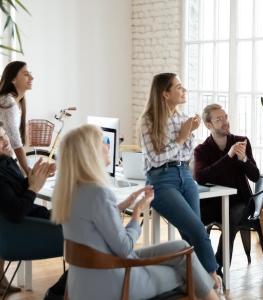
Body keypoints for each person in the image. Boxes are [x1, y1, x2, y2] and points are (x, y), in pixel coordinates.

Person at [50, 124, 220, 300]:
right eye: (103, 142)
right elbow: (124, 248)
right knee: (188, 270)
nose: (108, 146)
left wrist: (125, 204)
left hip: (83, 283)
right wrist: (137, 212)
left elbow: (93, 221)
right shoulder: (98, 193)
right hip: (117, 280)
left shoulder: (69, 191)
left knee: (182, 247)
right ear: (90, 153)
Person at [139, 73, 222, 288]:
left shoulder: (181, 118)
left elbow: (186, 155)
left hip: (185, 176)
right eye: (178, 87)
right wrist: (182, 137)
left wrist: (187, 134)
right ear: (165, 93)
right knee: (197, 229)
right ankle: (212, 278)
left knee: (190, 232)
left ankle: (193, 280)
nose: (184, 90)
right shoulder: (148, 121)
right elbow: (156, 158)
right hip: (160, 180)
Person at [0, 121, 66, 300]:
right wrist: (34, 188)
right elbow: (16, 212)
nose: (6, 141)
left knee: (79, 216)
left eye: (5, 135)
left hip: (35, 222)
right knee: (87, 231)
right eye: (0, 139)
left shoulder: (6, 162)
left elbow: (14, 194)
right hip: (27, 232)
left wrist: (32, 178)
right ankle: (63, 289)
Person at [194, 104, 260, 275]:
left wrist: (243, 158)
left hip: (241, 202)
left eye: (226, 117)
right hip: (213, 203)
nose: (225, 122)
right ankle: (198, 265)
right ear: (209, 125)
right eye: (219, 119)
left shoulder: (242, 142)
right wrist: (229, 156)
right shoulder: (201, 150)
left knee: (229, 217)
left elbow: (255, 176)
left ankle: (217, 266)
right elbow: (201, 176)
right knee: (192, 219)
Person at [0, 61, 34, 175]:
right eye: (25, 74)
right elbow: (16, 142)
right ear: (13, 79)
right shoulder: (8, 101)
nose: (31, 77)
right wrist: (28, 170)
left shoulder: (17, 103)